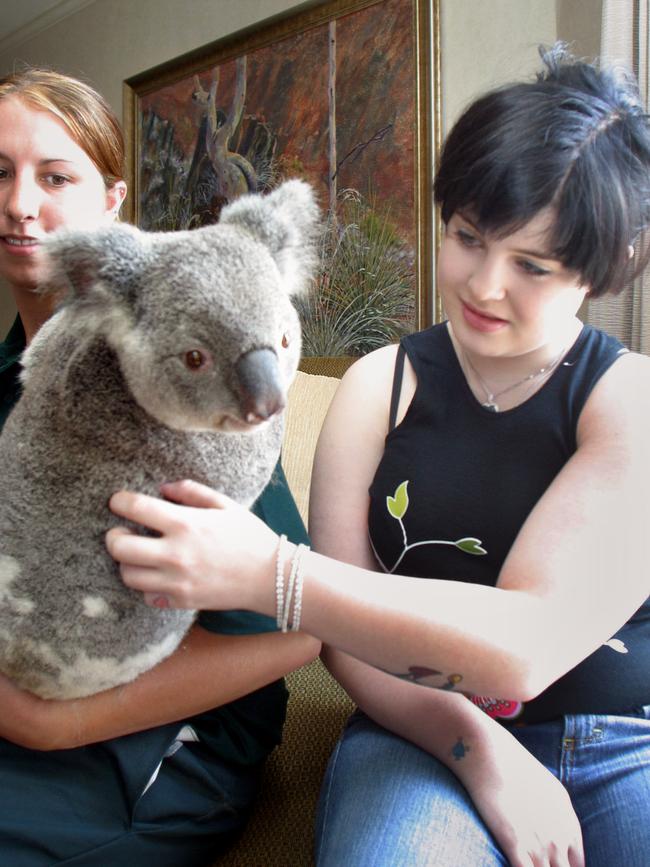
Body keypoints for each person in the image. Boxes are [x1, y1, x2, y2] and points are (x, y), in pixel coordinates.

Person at [106, 45, 650, 866]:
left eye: (532, 265)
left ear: (608, 268)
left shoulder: (628, 397)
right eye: (467, 236)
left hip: (620, 741)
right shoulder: (376, 384)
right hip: (415, 732)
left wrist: (272, 573)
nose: (484, 284)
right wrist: (479, 748)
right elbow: (347, 640)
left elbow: (528, 643)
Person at [0, 67, 319, 866]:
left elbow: (297, 632)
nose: (18, 203)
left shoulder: (189, 391)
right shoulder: (15, 377)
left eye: (54, 175)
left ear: (112, 202)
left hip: (150, 736)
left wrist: (55, 719)